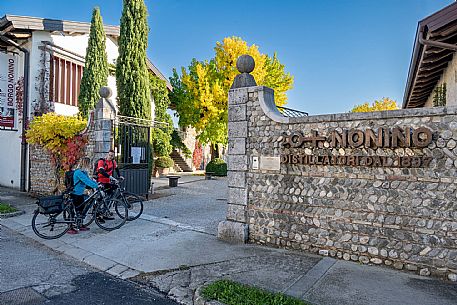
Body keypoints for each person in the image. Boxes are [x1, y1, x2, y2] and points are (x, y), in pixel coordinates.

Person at [69, 157, 99, 234]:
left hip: (80, 193)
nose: (90, 166)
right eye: (89, 164)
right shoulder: (78, 172)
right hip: (75, 193)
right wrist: (97, 186)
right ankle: (70, 227)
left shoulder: (84, 172)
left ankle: (80, 224)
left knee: (81, 210)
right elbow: (86, 181)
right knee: (74, 211)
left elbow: (88, 181)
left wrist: (96, 184)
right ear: (85, 164)